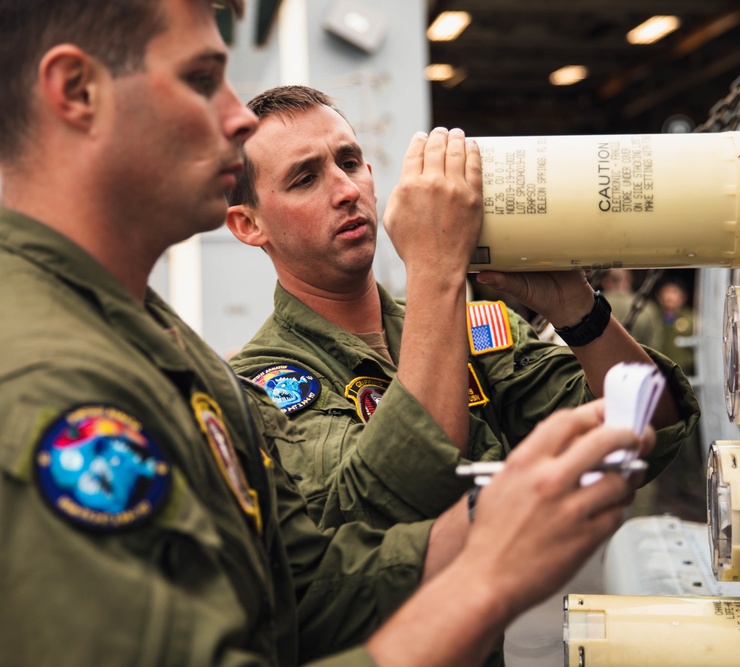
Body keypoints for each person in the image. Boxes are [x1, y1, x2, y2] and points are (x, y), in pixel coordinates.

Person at [0, 0, 658, 664]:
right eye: (201, 79)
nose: (234, 118)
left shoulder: (165, 343)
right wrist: (485, 579)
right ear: (78, 93)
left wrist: (498, 515)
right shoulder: (48, 381)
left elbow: (313, 592)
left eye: (350, 161)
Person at [224, 85, 700, 535]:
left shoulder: (480, 330)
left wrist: (578, 309)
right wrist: (435, 264)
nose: (345, 189)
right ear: (248, 225)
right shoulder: (258, 388)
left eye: (349, 162)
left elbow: (645, 429)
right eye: (304, 178)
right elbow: (396, 502)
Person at [598, 268, 662, 349]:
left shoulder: (593, 304)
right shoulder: (647, 308)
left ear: (604, 282)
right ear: (630, 279)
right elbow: (654, 345)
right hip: (637, 359)